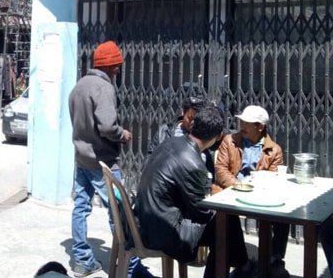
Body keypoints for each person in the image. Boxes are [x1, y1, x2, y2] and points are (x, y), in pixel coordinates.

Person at [134, 107, 257, 278]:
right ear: (218, 136)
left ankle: (244, 266)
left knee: (227, 221)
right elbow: (200, 212)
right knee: (224, 226)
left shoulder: (170, 142)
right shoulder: (193, 163)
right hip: (163, 231)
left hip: (146, 220)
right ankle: (244, 267)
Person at [68, 41, 153, 278]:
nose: (118, 70)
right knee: (120, 212)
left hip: (81, 159)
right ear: (109, 65)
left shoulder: (79, 86)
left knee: (80, 207)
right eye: (117, 65)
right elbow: (107, 126)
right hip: (103, 162)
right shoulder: (103, 88)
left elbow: (78, 121)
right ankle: (131, 267)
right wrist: (122, 134)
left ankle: (82, 260)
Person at [214, 105, 290, 278]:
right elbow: (221, 169)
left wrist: (255, 189)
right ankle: (241, 262)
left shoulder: (274, 150)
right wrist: (237, 186)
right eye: (242, 121)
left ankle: (275, 259)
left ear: (260, 127)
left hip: (259, 195)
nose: (243, 126)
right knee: (227, 217)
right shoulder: (230, 141)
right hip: (231, 190)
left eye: (248, 123)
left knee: (283, 218)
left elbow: (272, 178)